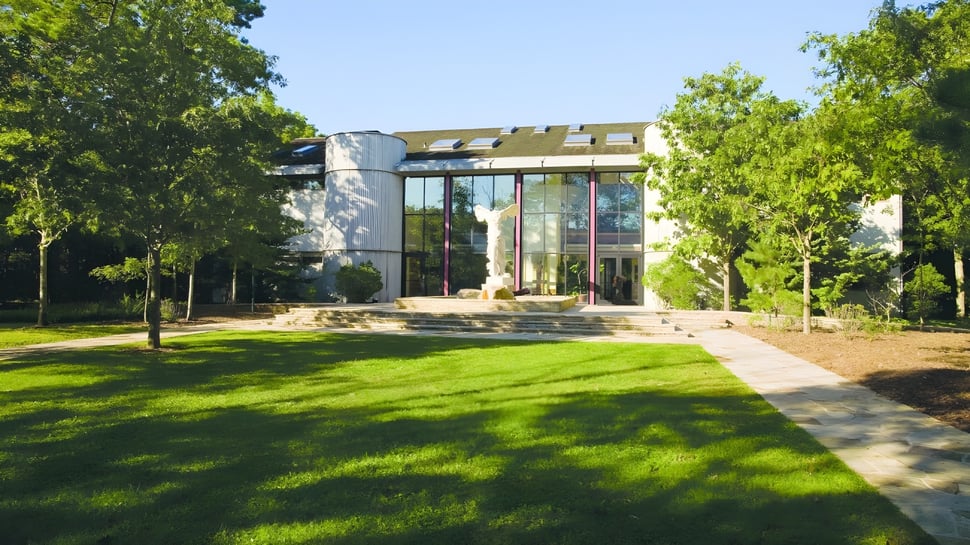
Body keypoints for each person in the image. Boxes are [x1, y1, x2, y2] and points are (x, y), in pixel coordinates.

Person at [474, 203, 519, 278]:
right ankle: (494, 273)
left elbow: (510, 210)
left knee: (501, 254)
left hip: (499, 236)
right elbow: (478, 209)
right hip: (492, 237)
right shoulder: (488, 214)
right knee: (493, 254)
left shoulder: (499, 214)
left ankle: (501, 272)